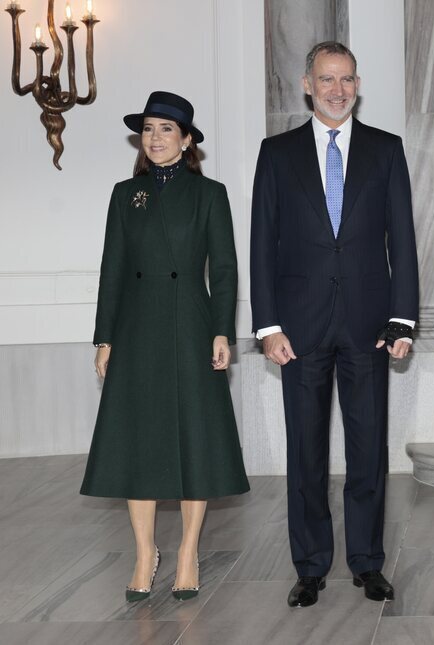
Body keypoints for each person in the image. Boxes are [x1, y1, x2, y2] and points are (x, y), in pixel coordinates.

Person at [250, 41, 419, 608]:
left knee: (369, 450)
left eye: (346, 79)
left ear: (357, 83)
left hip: (370, 326)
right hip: (298, 330)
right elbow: (262, 246)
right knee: (306, 453)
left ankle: (368, 563)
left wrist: (402, 319)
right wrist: (267, 324)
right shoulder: (276, 154)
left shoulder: (386, 150)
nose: (337, 89)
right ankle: (311, 565)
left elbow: (404, 241)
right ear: (306, 84)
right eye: (327, 79)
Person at [80, 91, 249, 602]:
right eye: (148, 129)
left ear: (187, 139)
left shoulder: (210, 194)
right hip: (135, 329)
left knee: (195, 439)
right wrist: (104, 337)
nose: (155, 138)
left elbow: (223, 269)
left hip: (191, 325)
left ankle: (187, 551)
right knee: (140, 443)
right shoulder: (123, 194)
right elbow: (111, 269)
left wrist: (222, 331)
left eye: (166, 129)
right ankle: (143, 552)